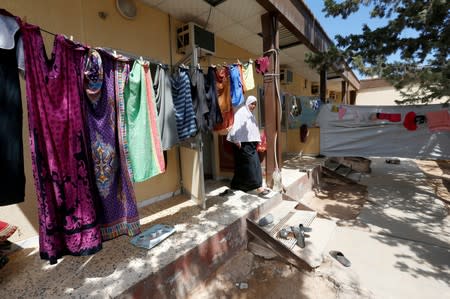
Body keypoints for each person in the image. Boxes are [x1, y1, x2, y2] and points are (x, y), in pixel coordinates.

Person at [227, 95, 269, 196]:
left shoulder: (251, 115)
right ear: (247, 103)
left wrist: (258, 140)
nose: (253, 106)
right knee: (253, 164)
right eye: (252, 103)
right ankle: (259, 187)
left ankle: (238, 185)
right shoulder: (241, 113)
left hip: (250, 144)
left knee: (243, 165)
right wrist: (236, 139)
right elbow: (235, 127)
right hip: (242, 144)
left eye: (255, 104)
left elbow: (252, 130)